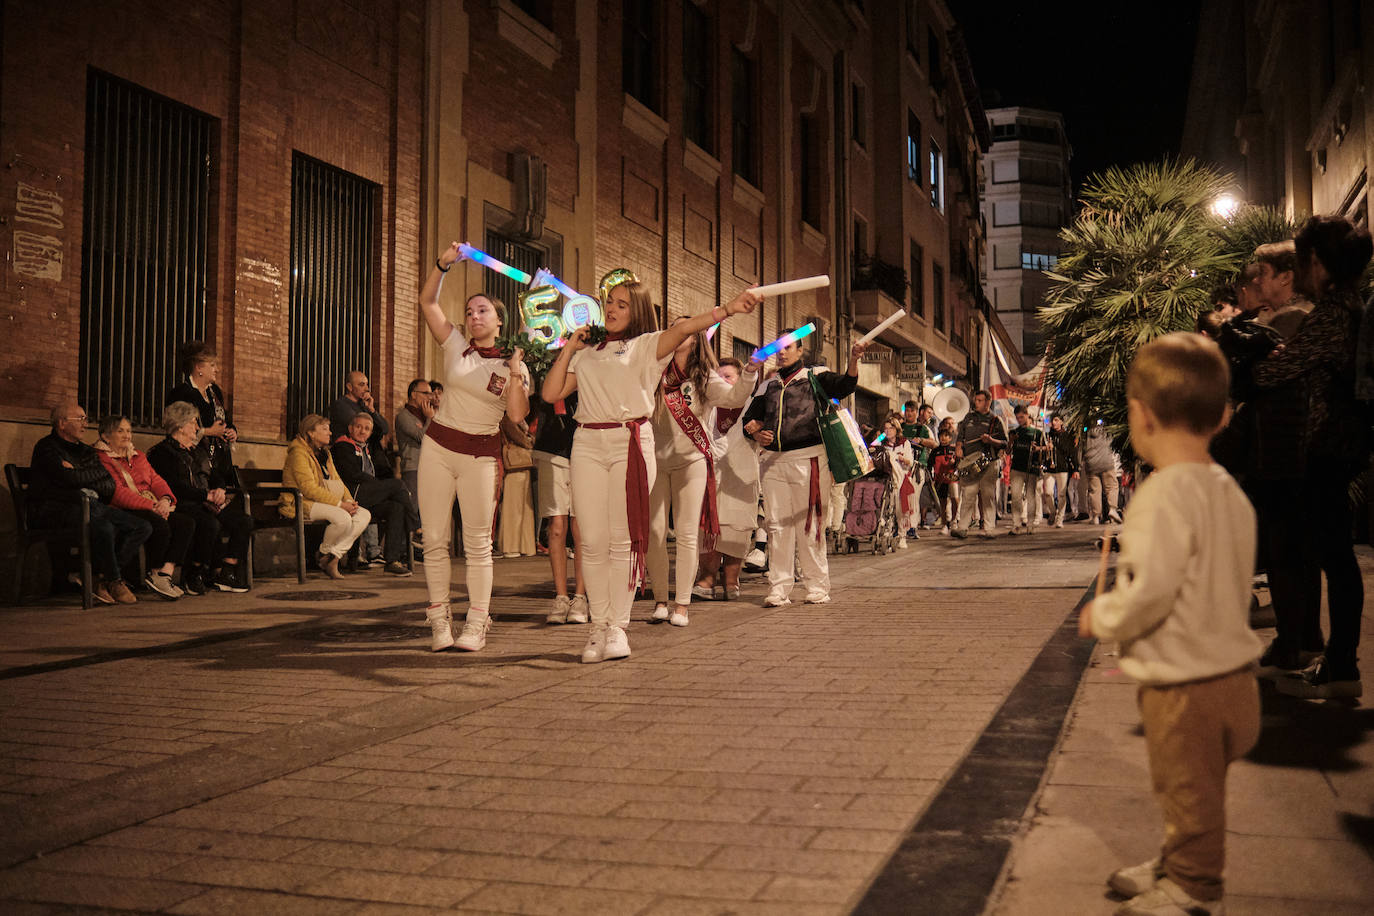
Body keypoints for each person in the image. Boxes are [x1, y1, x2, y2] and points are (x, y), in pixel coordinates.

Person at [1079, 332, 1260, 916]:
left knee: (1188, 789)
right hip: (1236, 675)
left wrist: (1103, 614)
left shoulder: (1160, 495)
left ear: (1142, 416)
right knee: (1199, 788)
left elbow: (1150, 592)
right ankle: (1174, 860)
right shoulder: (1230, 491)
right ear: (1221, 416)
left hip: (1187, 683)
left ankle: (1192, 887)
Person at [542, 268, 759, 662]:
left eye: (622, 304)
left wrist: (729, 309)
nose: (611, 308)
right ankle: (597, 626)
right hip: (587, 440)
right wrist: (570, 348)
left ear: (637, 311)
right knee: (590, 540)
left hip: (630, 440)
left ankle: (617, 628)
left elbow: (686, 328)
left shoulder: (646, 346)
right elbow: (551, 391)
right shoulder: (589, 351)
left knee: (623, 539)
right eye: (609, 301)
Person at [1252, 216, 1372, 698]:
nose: (1298, 271)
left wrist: (1257, 362)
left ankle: (1341, 665)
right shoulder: (1345, 306)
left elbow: (1272, 374)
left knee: (1334, 557)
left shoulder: (1332, 313)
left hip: (1328, 447)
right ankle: (1338, 660)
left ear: (1317, 264)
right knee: (1332, 554)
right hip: (1336, 446)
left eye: (1301, 261)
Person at [417, 244, 530, 652]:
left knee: (478, 544)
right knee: (433, 537)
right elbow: (427, 301)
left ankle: (478, 622)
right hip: (439, 447)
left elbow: (516, 416)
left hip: (482, 456)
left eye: (482, 310)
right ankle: (438, 619)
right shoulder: (455, 346)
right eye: (469, 311)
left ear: (499, 321)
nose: (474, 316)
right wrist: (442, 263)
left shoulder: (512, 363)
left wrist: (516, 371)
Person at [741, 330, 868, 606]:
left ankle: (817, 587)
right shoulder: (768, 385)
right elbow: (749, 420)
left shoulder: (815, 376)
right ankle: (778, 588)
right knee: (776, 526)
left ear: (800, 351)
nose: (782, 352)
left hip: (809, 459)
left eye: (789, 347)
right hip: (773, 462)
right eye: (779, 348)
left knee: (810, 525)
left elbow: (845, 385)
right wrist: (753, 430)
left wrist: (854, 359)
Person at [647, 318, 758, 627]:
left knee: (685, 533)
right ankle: (659, 600)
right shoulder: (654, 369)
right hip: (655, 461)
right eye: (672, 325)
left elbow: (734, 398)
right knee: (655, 533)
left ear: (695, 339)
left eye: (684, 327)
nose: (676, 329)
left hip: (692, 461)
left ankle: (681, 604)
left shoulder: (703, 378)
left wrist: (749, 373)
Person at [28, 403, 151, 604]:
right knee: (104, 527)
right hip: (55, 509)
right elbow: (67, 480)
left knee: (142, 526)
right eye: (81, 419)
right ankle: (114, 580)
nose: (86, 424)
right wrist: (80, 476)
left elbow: (106, 482)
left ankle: (101, 578)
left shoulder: (86, 451)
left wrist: (75, 472)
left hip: (90, 506)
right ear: (62, 423)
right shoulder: (47, 448)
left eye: (86, 419)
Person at [148, 401, 252, 594]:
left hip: (207, 501)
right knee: (208, 522)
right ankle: (194, 572)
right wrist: (207, 495)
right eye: (194, 422)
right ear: (180, 425)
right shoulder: (161, 453)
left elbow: (215, 476)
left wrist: (220, 489)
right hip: (183, 502)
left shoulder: (197, 451)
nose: (197, 427)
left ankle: (226, 572)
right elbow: (174, 487)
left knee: (243, 520)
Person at [95, 415, 193, 599]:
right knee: (159, 525)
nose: (126, 435)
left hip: (152, 504)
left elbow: (156, 480)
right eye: (120, 431)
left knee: (185, 523)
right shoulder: (102, 458)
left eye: (129, 430)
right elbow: (118, 493)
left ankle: (164, 573)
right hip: (123, 508)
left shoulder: (138, 455)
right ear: (106, 436)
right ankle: (153, 572)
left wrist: (165, 499)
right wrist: (153, 506)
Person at [695, 357, 760, 602]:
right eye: (719, 377)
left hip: (741, 475)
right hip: (709, 474)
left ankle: (732, 580)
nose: (724, 382)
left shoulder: (752, 406)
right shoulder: (705, 405)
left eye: (729, 377)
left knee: (736, 528)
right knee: (709, 527)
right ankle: (707, 578)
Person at [281, 414, 372, 580]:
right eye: (324, 429)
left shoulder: (325, 454)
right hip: (299, 502)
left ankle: (330, 557)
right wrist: (339, 504)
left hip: (322, 501)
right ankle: (326, 556)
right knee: (343, 518)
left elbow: (337, 480)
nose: (329, 433)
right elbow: (308, 489)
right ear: (311, 433)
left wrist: (350, 501)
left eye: (329, 429)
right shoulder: (298, 453)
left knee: (363, 514)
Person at [331, 412, 415, 576]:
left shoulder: (367, 448)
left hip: (368, 495)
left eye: (367, 429)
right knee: (397, 485)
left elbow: (383, 428)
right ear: (350, 428)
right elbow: (351, 474)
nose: (362, 431)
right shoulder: (342, 446)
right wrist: (381, 486)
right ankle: (415, 524)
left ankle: (392, 560)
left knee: (396, 507)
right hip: (352, 496)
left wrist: (382, 486)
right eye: (358, 427)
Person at [529, 392, 588, 623]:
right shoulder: (553, 360)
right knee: (555, 526)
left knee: (580, 526)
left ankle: (581, 597)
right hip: (551, 450)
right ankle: (561, 596)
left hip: (586, 447)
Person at [166, 341, 237, 488]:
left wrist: (231, 431)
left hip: (220, 460)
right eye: (212, 365)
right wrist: (209, 432)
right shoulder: (181, 393)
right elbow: (175, 430)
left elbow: (224, 419)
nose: (216, 369)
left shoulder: (214, 392)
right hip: (196, 462)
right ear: (198, 367)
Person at [951, 390, 1008, 539]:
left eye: (980, 400)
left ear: (988, 402)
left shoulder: (995, 420)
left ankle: (989, 528)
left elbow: (1005, 443)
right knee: (968, 495)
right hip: (970, 462)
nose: (976, 403)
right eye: (976, 400)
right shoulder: (968, 417)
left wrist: (991, 441)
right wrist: (958, 448)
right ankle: (962, 527)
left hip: (989, 463)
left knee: (988, 495)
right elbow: (960, 436)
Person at [395, 378, 434, 531]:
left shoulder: (426, 415)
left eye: (430, 394)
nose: (429, 397)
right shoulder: (404, 416)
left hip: (430, 466)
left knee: (428, 509)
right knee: (413, 508)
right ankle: (407, 550)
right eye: (425, 393)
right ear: (413, 394)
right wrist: (430, 418)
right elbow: (422, 437)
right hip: (413, 467)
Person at [497, 415, 537, 558]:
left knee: (524, 508)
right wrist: (530, 441)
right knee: (513, 507)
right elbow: (518, 437)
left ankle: (525, 545)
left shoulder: (519, 418)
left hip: (523, 463)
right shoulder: (508, 417)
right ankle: (511, 546)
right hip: (515, 463)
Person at [1006, 405, 1047, 535]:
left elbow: (1046, 448)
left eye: (1021, 417)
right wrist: (1011, 441)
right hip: (1017, 467)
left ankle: (1030, 524)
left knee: (1031, 496)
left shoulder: (1037, 432)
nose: (1019, 420)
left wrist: (1037, 449)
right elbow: (1007, 451)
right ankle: (1016, 524)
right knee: (1016, 497)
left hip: (1031, 468)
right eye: (1017, 418)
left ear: (1027, 415)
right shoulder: (1014, 432)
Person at [876, 415, 915, 548]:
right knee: (886, 506)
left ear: (896, 429)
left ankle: (902, 535)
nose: (888, 431)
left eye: (891, 428)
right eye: (885, 429)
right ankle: (887, 532)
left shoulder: (904, 443)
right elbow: (871, 450)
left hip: (901, 478)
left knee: (900, 509)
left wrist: (899, 457)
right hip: (886, 478)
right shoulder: (882, 443)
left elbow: (910, 461)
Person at [1080, 421, 1122, 524]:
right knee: (1111, 486)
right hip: (1106, 462)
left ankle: (1096, 516)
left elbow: (1081, 449)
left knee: (1095, 491)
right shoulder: (1106, 431)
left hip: (1091, 464)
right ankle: (1112, 509)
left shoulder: (1086, 433)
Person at [1044, 414, 1078, 528]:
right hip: (1050, 468)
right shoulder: (1048, 435)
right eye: (1052, 420)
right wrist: (1046, 448)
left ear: (1061, 422)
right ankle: (1053, 512)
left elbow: (1071, 452)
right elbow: (1043, 452)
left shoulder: (1067, 436)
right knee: (1048, 493)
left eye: (1056, 420)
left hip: (1063, 468)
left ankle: (1060, 519)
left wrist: (1076, 469)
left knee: (1061, 494)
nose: (1054, 423)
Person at [929, 427, 958, 533]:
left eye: (946, 436)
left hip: (953, 478)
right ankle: (945, 524)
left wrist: (954, 462)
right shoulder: (935, 451)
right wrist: (931, 479)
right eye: (941, 436)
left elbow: (960, 464)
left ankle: (954, 521)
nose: (943, 438)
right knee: (942, 502)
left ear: (950, 438)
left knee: (955, 499)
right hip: (940, 479)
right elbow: (929, 465)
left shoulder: (954, 450)